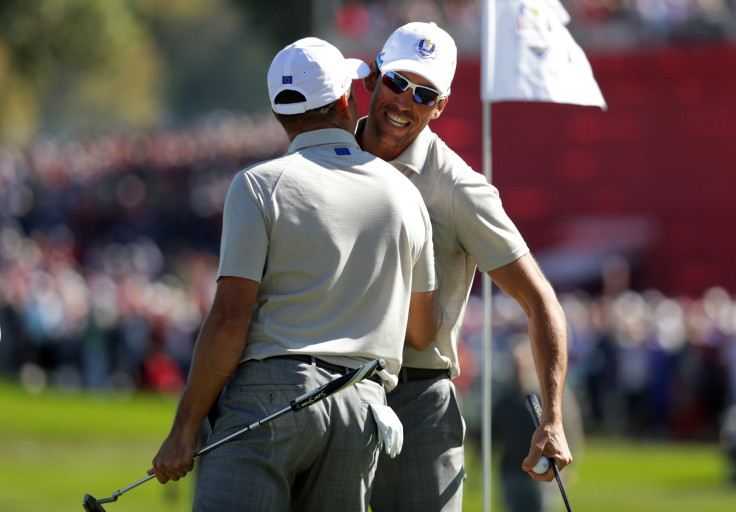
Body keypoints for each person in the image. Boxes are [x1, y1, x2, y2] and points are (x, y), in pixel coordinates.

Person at [148, 37, 439, 512]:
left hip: (272, 394)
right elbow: (422, 332)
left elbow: (228, 323)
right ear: (345, 101)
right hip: (363, 408)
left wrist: (183, 432)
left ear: (280, 114)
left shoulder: (259, 185)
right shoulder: (405, 195)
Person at [356, 22, 573, 512]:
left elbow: (541, 301)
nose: (404, 102)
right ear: (373, 77)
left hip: (416, 399)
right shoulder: (327, 156)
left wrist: (553, 417)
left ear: (441, 106)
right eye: (396, 82)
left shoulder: (459, 187)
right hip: (329, 392)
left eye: (425, 93)